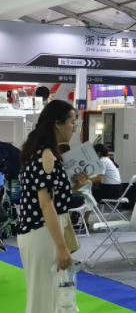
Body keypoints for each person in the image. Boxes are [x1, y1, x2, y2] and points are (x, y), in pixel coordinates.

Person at [17, 100, 89, 313]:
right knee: (46, 298)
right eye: (72, 122)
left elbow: (50, 199)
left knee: (51, 296)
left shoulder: (42, 152)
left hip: (42, 230)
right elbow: (45, 203)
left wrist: (73, 188)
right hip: (42, 231)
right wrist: (61, 246)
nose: (74, 127)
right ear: (58, 124)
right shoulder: (46, 154)